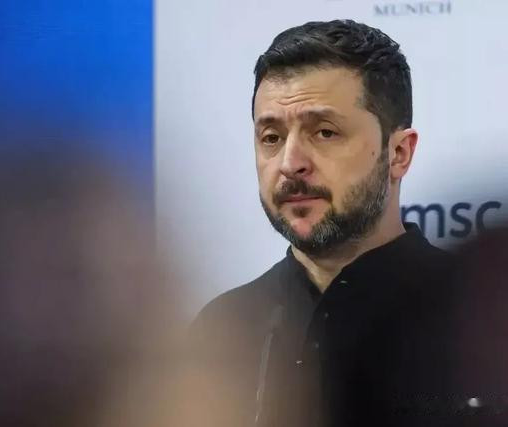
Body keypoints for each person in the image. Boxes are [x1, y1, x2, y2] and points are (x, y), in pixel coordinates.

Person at [187, 20, 461, 427]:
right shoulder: (222, 329)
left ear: (399, 153)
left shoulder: (480, 318)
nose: (290, 163)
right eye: (271, 137)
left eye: (325, 133)